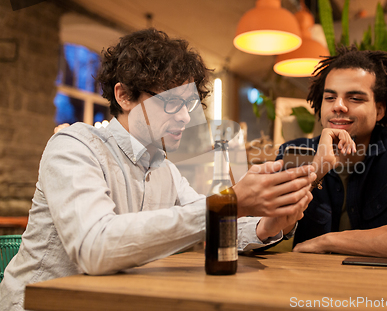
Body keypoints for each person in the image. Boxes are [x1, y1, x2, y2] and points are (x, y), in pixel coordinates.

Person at [0, 28, 315, 310]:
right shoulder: (75, 145)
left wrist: (270, 224)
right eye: (171, 102)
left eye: (189, 105)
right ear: (124, 95)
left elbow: (209, 221)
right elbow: (95, 248)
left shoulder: (165, 169)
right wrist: (228, 203)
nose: (183, 118)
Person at [276, 45, 387, 260]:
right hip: (309, 285)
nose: (338, 106)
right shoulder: (296, 152)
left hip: (384, 286)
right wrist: (317, 170)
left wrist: (328, 241)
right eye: (330, 98)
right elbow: (269, 231)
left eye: (355, 98)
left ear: (379, 110)